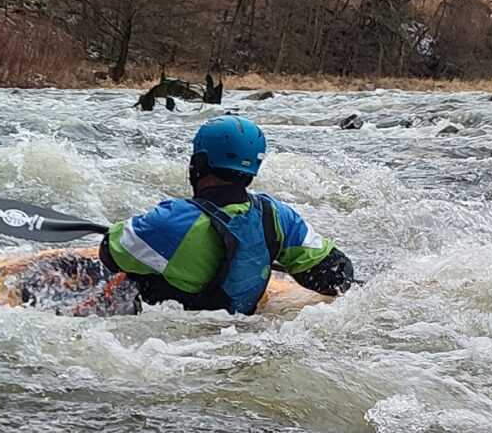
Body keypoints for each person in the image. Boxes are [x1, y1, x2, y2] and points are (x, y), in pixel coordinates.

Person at [87, 116, 357, 314]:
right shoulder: (276, 215)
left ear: (199, 163)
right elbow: (337, 275)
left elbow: (110, 253)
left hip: (173, 338)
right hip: (238, 328)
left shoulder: (170, 221)